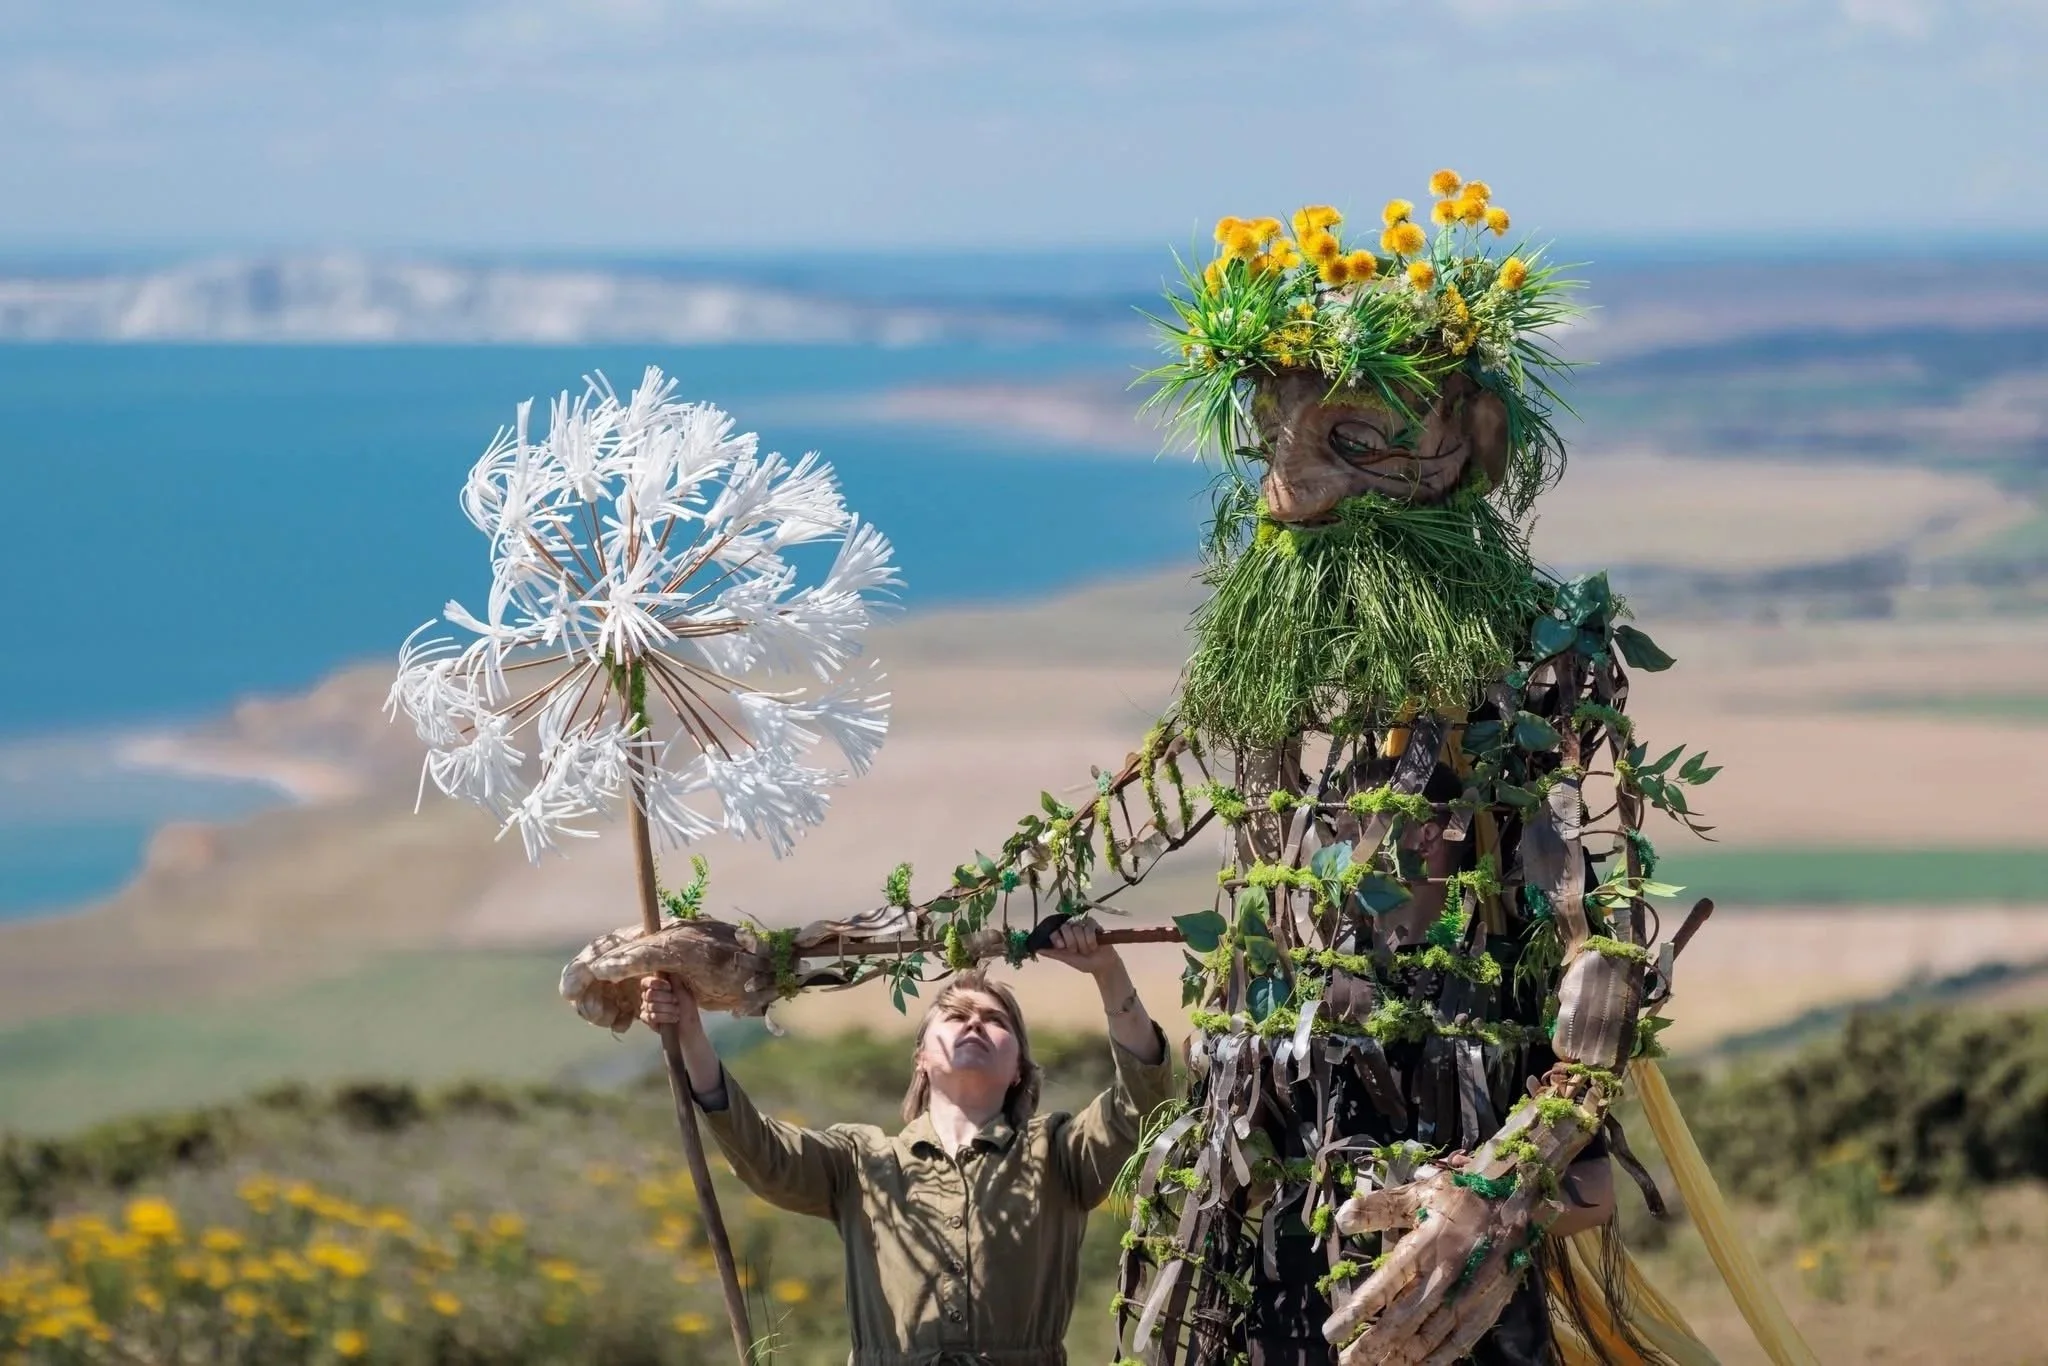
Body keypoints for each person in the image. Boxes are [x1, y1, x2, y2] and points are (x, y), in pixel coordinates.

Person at [638, 917, 1173, 1365]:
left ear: (1018, 1069)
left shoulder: (1058, 1153)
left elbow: (1143, 1106)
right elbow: (765, 1155)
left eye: (994, 1021)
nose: (974, 1025)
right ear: (921, 1058)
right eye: (956, 1016)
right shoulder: (861, 1161)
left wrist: (1108, 972)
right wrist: (690, 1035)